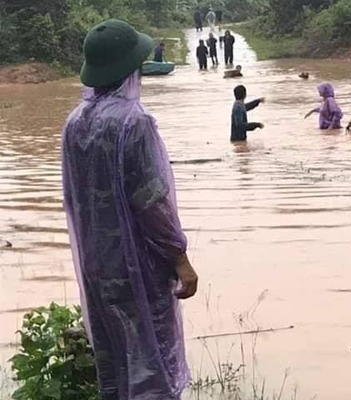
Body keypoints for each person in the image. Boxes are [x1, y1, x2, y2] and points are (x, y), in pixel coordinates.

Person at [61, 19, 198, 400]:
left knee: (116, 361)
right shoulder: (133, 123)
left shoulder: (75, 122)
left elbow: (74, 198)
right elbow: (150, 201)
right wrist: (180, 258)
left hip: (96, 264)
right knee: (151, 363)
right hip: (137, 266)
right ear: (130, 67)